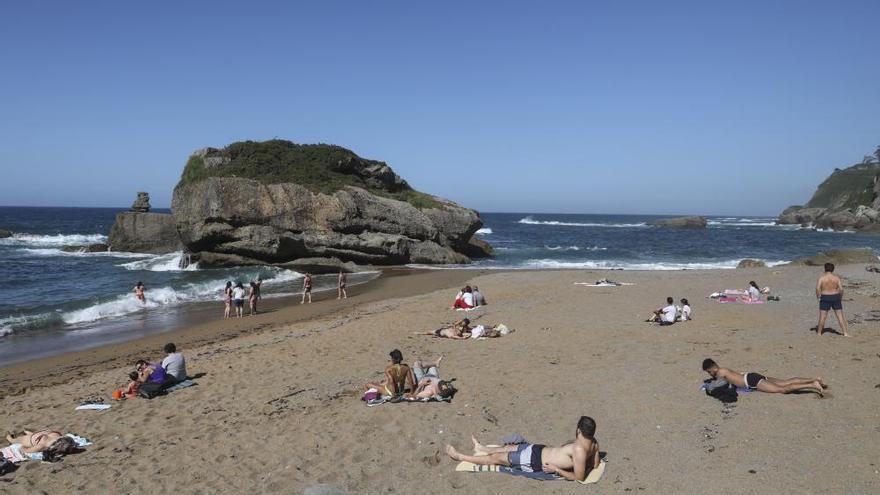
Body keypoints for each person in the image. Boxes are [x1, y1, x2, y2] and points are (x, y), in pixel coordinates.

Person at [445, 416, 601, 482]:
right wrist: (587, 464)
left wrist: (557, 470)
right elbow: (595, 465)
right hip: (539, 450)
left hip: (534, 461)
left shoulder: (579, 450)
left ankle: (460, 457)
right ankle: (481, 447)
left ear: (579, 430)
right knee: (511, 447)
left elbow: (579, 477)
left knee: (497, 459)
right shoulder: (594, 443)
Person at [701, 358, 825, 395]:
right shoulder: (724, 369)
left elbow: (716, 385)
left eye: (708, 372)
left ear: (712, 369)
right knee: (785, 382)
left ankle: (812, 385)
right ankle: (814, 379)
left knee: (781, 389)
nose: (710, 374)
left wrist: (707, 385)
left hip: (751, 381)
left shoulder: (719, 373)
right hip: (751, 376)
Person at [816, 263, 849, 337]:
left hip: (825, 297)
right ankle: (845, 333)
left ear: (825, 269)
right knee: (840, 316)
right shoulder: (836, 278)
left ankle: (819, 333)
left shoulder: (821, 278)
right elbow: (841, 289)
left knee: (822, 317)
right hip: (835, 297)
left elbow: (818, 289)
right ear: (833, 269)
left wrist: (818, 297)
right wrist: (840, 297)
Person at [5, 430, 77, 461]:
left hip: (42, 433)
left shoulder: (57, 435)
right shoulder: (42, 446)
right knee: (12, 440)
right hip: (28, 439)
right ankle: (8, 436)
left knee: (33, 437)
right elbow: (23, 449)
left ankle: (29, 433)